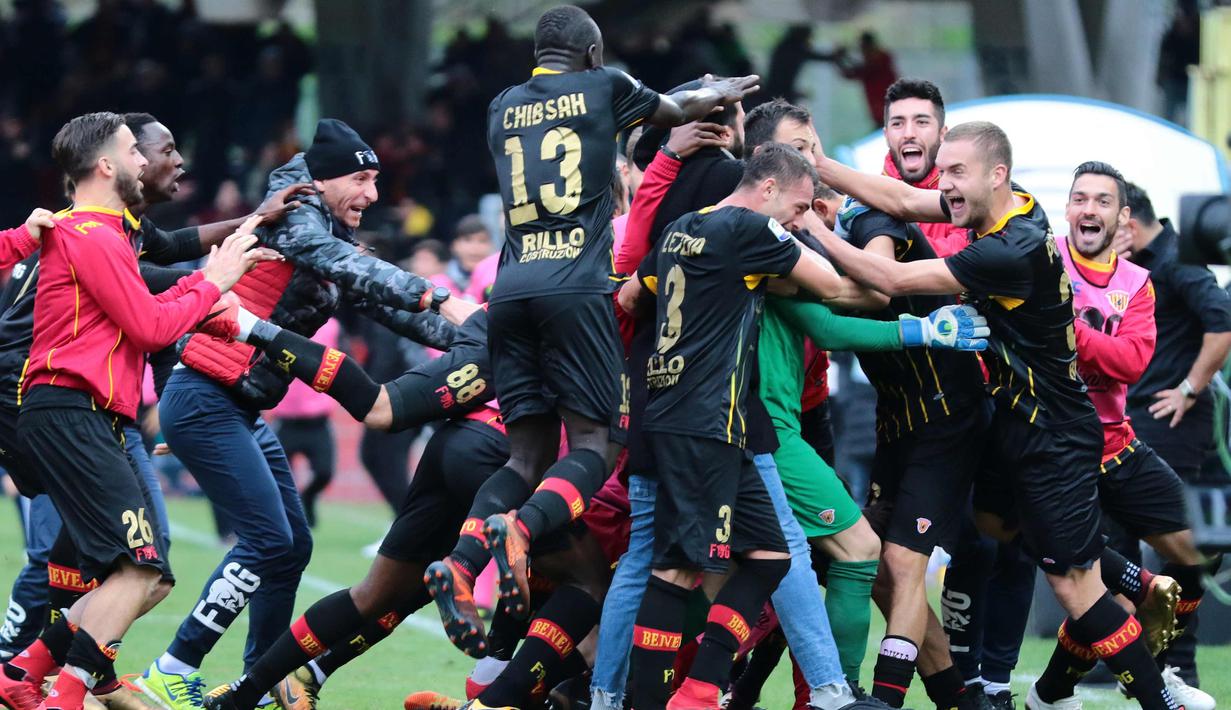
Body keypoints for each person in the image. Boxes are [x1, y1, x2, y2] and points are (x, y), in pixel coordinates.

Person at [425, 2, 760, 660]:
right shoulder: (604, 85)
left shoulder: (501, 106)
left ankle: (462, 565)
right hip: (575, 286)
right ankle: (520, 530)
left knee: (523, 456)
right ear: (593, 53)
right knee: (594, 445)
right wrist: (716, 92)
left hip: (509, 288)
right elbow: (675, 110)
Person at [811, 121, 1181, 709]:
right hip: (1009, 423)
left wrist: (806, 225)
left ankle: (1162, 698)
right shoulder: (1009, 206)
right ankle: (1132, 582)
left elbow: (891, 279)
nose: (945, 185)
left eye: (956, 173)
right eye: (944, 172)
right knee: (994, 528)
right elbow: (904, 198)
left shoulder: (1008, 250)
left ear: (996, 175)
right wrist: (819, 164)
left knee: (1074, 587)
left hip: (1052, 435)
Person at [139, 118, 462, 709]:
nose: (372, 194)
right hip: (207, 395)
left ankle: (258, 682)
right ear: (324, 180)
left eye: (376, 180)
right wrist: (439, 295)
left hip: (237, 406)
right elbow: (346, 265)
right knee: (267, 542)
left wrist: (483, 337)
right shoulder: (298, 219)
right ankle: (171, 667)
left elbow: (391, 308)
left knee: (291, 549)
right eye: (360, 180)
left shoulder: (328, 233)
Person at [0, 111, 303, 710]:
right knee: (132, 568)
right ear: (106, 165)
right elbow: (151, 326)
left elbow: (161, 283)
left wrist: (228, 258)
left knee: (145, 572)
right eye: (134, 151)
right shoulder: (91, 234)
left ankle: (28, 671)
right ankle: (66, 690)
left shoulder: (115, 232)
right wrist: (213, 282)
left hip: (85, 412)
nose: (147, 160)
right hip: (63, 408)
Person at [618, 144, 854, 710]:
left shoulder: (680, 228)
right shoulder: (751, 228)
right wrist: (809, 237)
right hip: (704, 419)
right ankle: (654, 700)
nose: (799, 219)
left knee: (771, 555)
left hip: (700, 419)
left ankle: (700, 688)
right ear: (768, 188)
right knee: (677, 569)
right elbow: (829, 285)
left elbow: (628, 295)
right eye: (799, 206)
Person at [1028, 161, 1216, 709]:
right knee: (1105, 595)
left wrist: (1067, 327)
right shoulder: (1040, 261)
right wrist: (1088, 341)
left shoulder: (1138, 282)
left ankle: (1145, 671)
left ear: (1123, 217)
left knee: (1200, 553)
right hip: (1058, 453)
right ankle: (1075, 691)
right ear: (1067, 209)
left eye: (1102, 201)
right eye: (1080, 199)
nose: (1089, 209)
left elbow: (1130, 362)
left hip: (1119, 444)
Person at [1122, 180, 1231, 691]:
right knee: (1118, 537)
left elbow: (1223, 324)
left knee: (1177, 542)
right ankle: (1124, 648)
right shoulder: (1140, 262)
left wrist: (1189, 388)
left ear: (1128, 220)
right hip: (1139, 420)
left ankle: (1178, 661)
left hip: (1171, 424)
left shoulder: (1178, 259)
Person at [879, 78, 968, 257]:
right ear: (886, 135)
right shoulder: (867, 199)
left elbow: (965, 254)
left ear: (942, 134)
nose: (909, 134)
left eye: (921, 122)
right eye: (897, 124)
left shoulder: (967, 192)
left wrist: (894, 245)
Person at [270, 318, 340, 528]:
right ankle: (287, 518)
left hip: (318, 421)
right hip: (287, 420)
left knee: (325, 472)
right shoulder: (280, 323)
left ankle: (308, 498)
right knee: (277, 477)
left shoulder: (332, 326)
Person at [834, 32, 898, 127]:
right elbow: (856, 70)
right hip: (883, 117)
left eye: (864, 49)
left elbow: (855, 71)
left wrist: (840, 58)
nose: (863, 53)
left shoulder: (881, 61)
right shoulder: (879, 61)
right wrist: (841, 58)